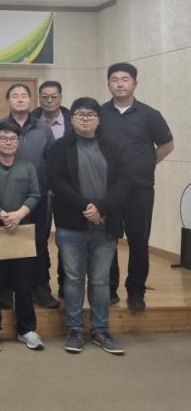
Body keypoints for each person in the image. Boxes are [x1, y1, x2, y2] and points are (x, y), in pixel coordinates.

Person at [48, 97, 131, 354]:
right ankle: (74, 330)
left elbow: (124, 182)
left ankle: (100, 330)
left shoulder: (114, 147)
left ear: (98, 119)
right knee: (73, 279)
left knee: (100, 280)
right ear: (71, 119)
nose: (85, 118)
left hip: (105, 224)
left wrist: (102, 208)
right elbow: (57, 183)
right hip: (71, 224)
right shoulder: (59, 148)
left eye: (91, 114)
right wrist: (88, 208)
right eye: (80, 114)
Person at [100, 62, 174, 311]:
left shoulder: (150, 114)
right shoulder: (100, 113)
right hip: (109, 189)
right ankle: (109, 289)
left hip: (140, 188)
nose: (119, 84)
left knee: (139, 241)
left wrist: (145, 164)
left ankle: (136, 292)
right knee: (108, 240)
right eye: (114, 80)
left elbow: (166, 145)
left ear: (135, 83)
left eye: (125, 79)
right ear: (108, 84)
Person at [0, 84, 58, 309]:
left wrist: (49, 189)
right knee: (7, 242)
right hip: (5, 196)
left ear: (30, 100)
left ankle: (40, 288)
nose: (19, 99)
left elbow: (51, 161)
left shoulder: (43, 128)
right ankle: (6, 290)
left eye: (24, 96)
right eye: (14, 96)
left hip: (37, 197)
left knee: (38, 243)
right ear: (8, 101)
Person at [0, 121, 43, 352]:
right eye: (3, 138)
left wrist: (19, 215)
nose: (8, 142)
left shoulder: (28, 167)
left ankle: (26, 330)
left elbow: (35, 194)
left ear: (18, 142)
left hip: (21, 232)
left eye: (13, 138)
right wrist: (4, 215)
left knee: (24, 284)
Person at [31, 80, 72, 298]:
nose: (49, 100)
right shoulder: (31, 121)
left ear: (61, 97)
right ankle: (41, 285)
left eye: (53, 96)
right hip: (40, 191)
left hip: (69, 191)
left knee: (67, 238)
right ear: (39, 98)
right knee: (39, 239)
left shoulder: (73, 119)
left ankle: (66, 283)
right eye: (45, 96)